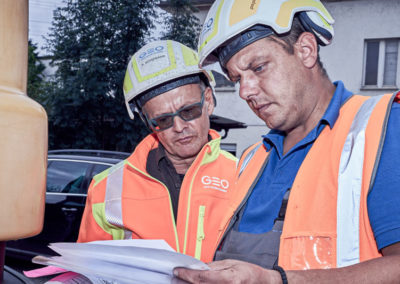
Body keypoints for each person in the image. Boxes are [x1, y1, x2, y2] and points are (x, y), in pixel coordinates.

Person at [174, 0, 400, 283]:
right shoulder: (251, 159)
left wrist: (277, 281)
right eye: (236, 79)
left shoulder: (381, 128)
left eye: (258, 67)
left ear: (306, 50)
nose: (245, 91)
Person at [77, 40, 241, 263]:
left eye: (189, 111)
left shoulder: (243, 177)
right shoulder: (106, 189)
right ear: (147, 122)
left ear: (209, 102)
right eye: (162, 120)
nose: (179, 127)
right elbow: (89, 269)